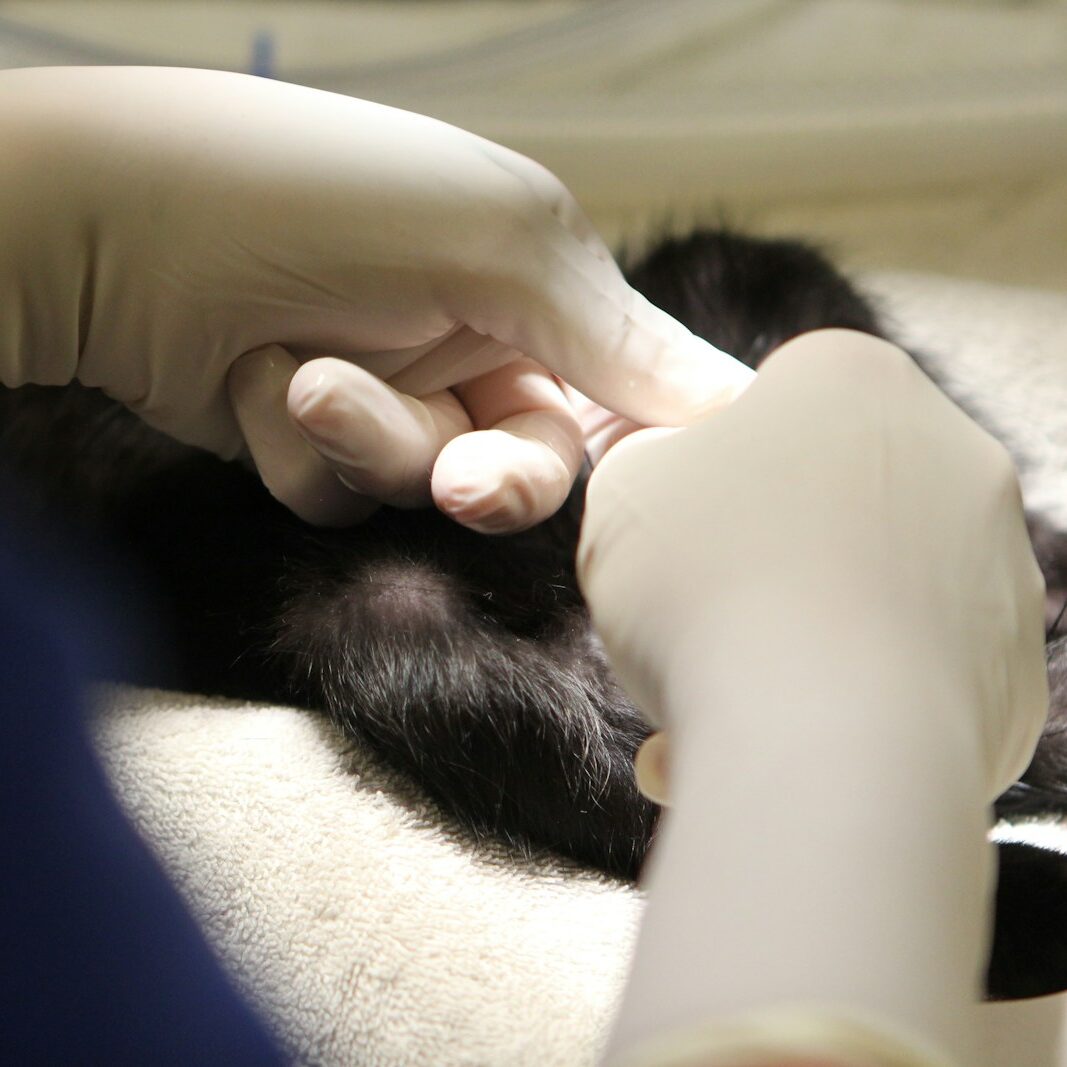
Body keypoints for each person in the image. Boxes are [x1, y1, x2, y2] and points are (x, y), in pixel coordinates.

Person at [0, 67, 1048, 1067]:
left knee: (736, 282)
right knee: (385, 623)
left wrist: (35, 199)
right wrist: (840, 764)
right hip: (391, 588)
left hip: (514, 443)